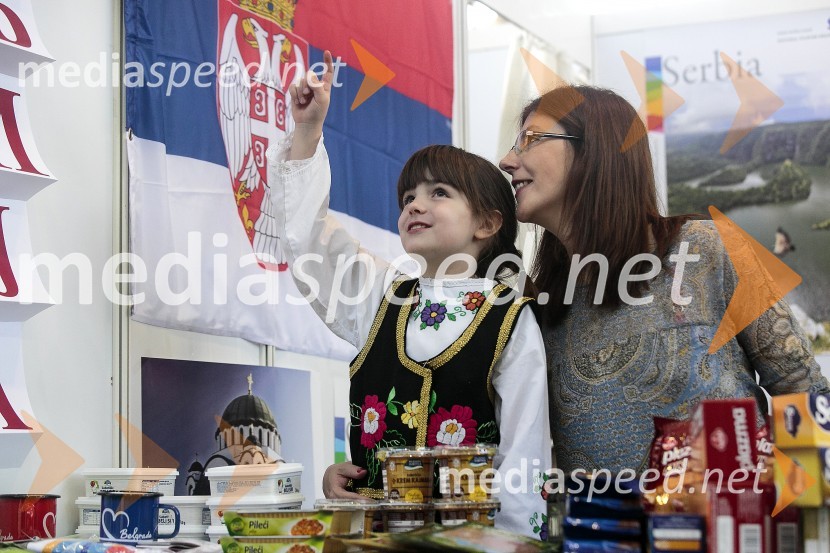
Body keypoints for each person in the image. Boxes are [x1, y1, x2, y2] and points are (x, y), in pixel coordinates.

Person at [266, 51, 552, 538]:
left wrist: (513, 544)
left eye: (439, 193)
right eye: (408, 198)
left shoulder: (511, 318)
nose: (416, 204)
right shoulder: (380, 295)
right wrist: (308, 131)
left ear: (487, 223)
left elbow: (524, 454)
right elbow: (309, 243)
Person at [498, 85, 830, 474]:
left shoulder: (707, 248)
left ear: (596, 149)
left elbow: (802, 390)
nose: (506, 160)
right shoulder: (541, 300)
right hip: (599, 532)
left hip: (732, 525)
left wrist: (810, 517)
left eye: (530, 140)